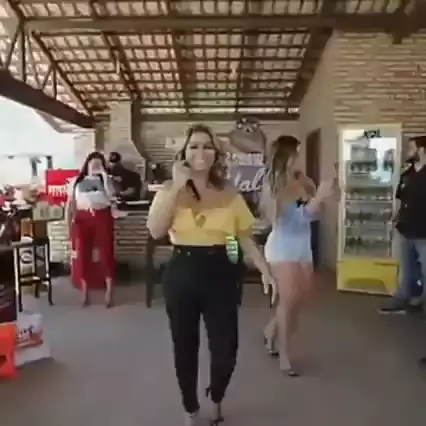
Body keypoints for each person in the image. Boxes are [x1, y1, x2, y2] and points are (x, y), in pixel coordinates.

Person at [147, 124, 276, 426]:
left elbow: (243, 236)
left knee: (226, 349)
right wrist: (177, 186)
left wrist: (264, 268)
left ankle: (216, 395)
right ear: (184, 152)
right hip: (183, 270)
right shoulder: (170, 190)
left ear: (216, 154)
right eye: (194, 146)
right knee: (185, 346)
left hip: (222, 272)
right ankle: (190, 407)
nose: (200, 152)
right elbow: (155, 230)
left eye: (207, 146)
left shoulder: (228, 192)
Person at [261, 135, 335, 377]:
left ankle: (270, 331)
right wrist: (318, 198)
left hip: (303, 246)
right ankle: (284, 354)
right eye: (298, 153)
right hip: (283, 248)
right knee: (288, 301)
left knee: (300, 299)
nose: (300, 158)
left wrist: (316, 193)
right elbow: (291, 221)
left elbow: (315, 215)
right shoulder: (275, 184)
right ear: (289, 155)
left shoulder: (299, 181)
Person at [379, 145, 425, 315]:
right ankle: (406, 299)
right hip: (405, 229)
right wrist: (394, 217)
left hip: (423, 231)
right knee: (407, 269)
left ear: (422, 149)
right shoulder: (407, 172)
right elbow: (400, 198)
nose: (408, 150)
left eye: (412, 147)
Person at [65, 152, 115, 308]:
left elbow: (112, 195)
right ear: (86, 164)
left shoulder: (105, 180)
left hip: (102, 215)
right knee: (83, 254)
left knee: (106, 252)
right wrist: (68, 225)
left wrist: (104, 176)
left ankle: (109, 291)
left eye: (99, 164)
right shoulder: (77, 181)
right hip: (83, 218)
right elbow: (70, 204)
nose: (95, 166)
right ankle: (85, 291)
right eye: (93, 163)